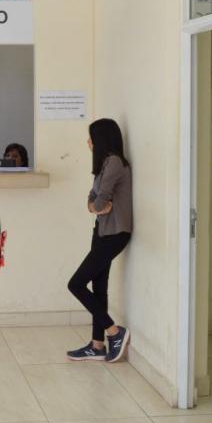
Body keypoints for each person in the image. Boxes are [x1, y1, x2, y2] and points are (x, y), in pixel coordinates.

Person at [67, 118, 133, 363]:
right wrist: (95, 206)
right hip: (102, 230)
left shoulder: (114, 162)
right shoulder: (105, 164)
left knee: (76, 284)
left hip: (115, 233)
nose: (88, 142)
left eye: (91, 137)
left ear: (101, 139)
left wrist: (96, 205)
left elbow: (99, 199)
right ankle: (97, 345)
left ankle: (114, 332)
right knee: (98, 287)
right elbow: (93, 199)